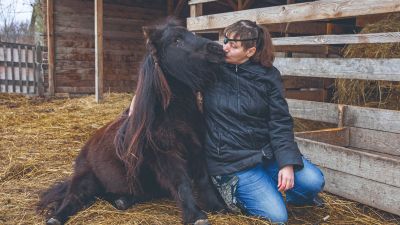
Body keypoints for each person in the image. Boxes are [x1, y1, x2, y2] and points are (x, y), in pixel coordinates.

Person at [203, 20, 325, 224]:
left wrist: (286, 163)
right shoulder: (210, 69)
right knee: (277, 217)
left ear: (250, 51)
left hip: (265, 154)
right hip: (231, 161)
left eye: (233, 46)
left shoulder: (268, 76)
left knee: (314, 181)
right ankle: (242, 191)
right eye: (225, 41)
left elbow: (280, 122)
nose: (225, 48)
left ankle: (281, 192)